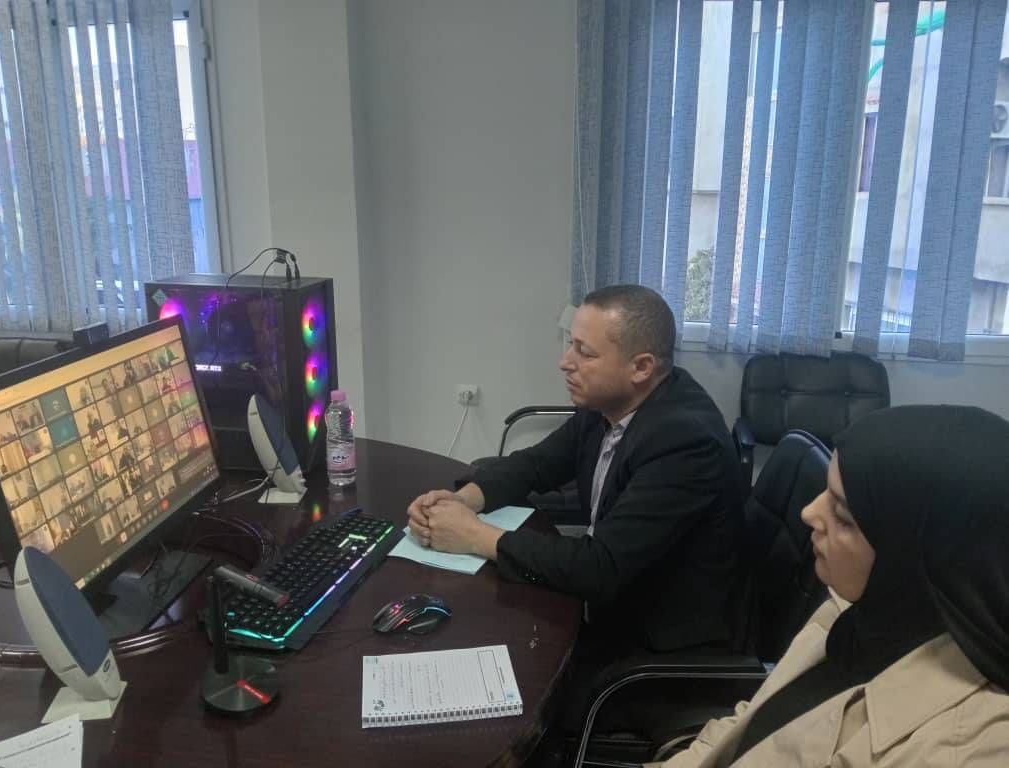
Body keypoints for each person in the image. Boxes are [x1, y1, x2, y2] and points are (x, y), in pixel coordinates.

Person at [649, 405, 1009, 767]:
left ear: (916, 554)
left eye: (843, 516)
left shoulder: (961, 752)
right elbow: (751, 726)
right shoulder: (854, 615)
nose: (809, 513)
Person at [408, 284, 742, 662]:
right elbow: (537, 463)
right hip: (608, 602)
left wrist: (473, 535)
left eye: (585, 352)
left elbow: (601, 567)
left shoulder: (684, 441)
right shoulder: (609, 404)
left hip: (652, 643)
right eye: (571, 343)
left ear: (641, 367)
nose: (565, 362)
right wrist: (461, 501)